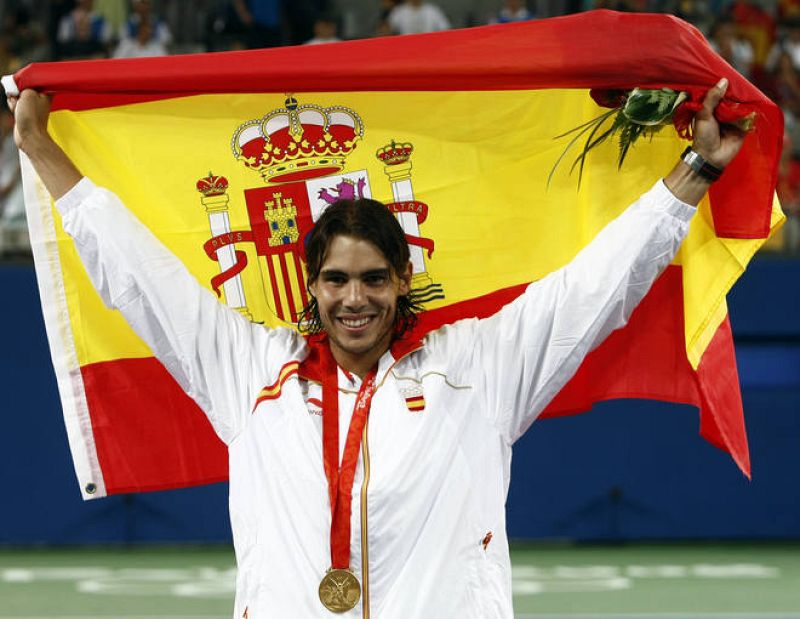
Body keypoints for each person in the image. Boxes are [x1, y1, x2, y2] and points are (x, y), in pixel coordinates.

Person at [8, 78, 744, 617]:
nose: (352, 297)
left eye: (371, 278)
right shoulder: (252, 372)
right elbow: (139, 278)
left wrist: (696, 173)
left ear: (401, 280)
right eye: (334, 279)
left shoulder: (476, 369)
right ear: (312, 286)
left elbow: (594, 288)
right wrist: (39, 147)